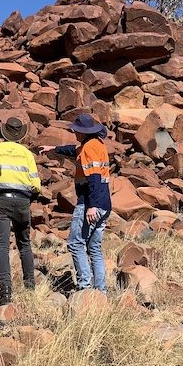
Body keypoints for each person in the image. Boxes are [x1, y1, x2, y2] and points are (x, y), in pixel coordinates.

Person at [39, 113, 112, 292]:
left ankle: (85, 287)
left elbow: (94, 178)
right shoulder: (95, 144)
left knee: (75, 243)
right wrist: (53, 148)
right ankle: (100, 291)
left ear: (83, 132)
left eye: (76, 131)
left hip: (90, 202)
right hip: (105, 203)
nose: (75, 134)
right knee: (94, 247)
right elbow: (73, 150)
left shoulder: (89, 148)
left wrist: (91, 206)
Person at [0, 117, 41, 305]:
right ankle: (30, 288)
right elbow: (36, 184)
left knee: (2, 246)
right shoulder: (27, 154)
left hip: (0, 200)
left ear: (4, 132)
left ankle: (5, 292)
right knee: (25, 244)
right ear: (20, 135)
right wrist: (29, 198)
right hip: (22, 201)